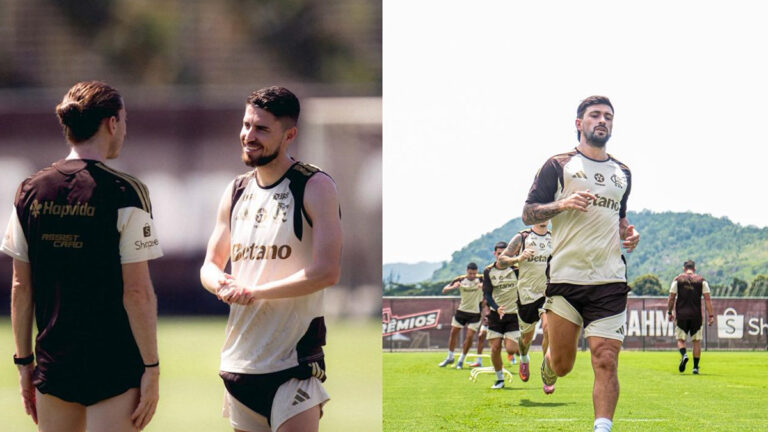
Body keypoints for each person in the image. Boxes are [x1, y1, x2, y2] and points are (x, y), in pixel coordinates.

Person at [1, 81, 162, 432]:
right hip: (115, 367)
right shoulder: (127, 193)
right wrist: (152, 368)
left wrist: (24, 362)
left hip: (54, 367)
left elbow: (20, 287)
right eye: (124, 119)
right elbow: (137, 293)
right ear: (112, 123)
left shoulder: (30, 190)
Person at [200, 86, 342, 432]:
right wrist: (222, 284)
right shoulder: (235, 191)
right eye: (247, 125)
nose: (249, 136)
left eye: (262, 129)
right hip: (238, 363)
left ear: (289, 135)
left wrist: (255, 291)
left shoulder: (314, 185)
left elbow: (326, 272)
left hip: (291, 365)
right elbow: (210, 265)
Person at [522, 96, 639, 432]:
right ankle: (547, 364)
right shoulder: (558, 165)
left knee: (605, 358)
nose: (602, 120)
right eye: (594, 115)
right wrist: (561, 204)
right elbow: (529, 212)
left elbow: (619, 218)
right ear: (579, 123)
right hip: (565, 279)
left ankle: (602, 427)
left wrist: (629, 234)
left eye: (608, 116)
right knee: (562, 364)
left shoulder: (623, 173)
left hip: (609, 280)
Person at [497, 221, 552, 384]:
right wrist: (519, 258)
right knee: (526, 339)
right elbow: (501, 260)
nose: (544, 218)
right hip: (526, 295)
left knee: (549, 329)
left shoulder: (554, 238)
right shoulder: (522, 237)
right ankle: (523, 358)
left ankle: (547, 372)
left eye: (547, 215)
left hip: (547, 293)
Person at [666, 260, 714, 375]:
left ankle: (684, 355)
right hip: (696, 315)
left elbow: (671, 298)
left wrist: (669, 312)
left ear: (684, 268)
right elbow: (707, 299)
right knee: (696, 341)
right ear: (694, 268)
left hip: (681, 315)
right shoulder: (702, 281)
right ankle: (695, 367)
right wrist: (711, 315)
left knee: (680, 339)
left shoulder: (677, 280)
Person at [438, 262, 484, 369]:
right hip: (462, 311)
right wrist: (453, 287)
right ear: (466, 271)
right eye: (470, 273)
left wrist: (484, 285)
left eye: (474, 273)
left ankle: (461, 360)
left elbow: (493, 285)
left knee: (469, 336)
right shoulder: (460, 279)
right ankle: (450, 357)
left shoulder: (482, 279)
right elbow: (444, 289)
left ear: (477, 272)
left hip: (475, 313)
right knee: (453, 333)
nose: (472, 276)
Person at [468, 299, 489, 368]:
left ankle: (516, 353)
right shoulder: (483, 296)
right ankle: (478, 361)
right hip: (487, 320)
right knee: (480, 336)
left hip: (497, 320)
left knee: (500, 342)